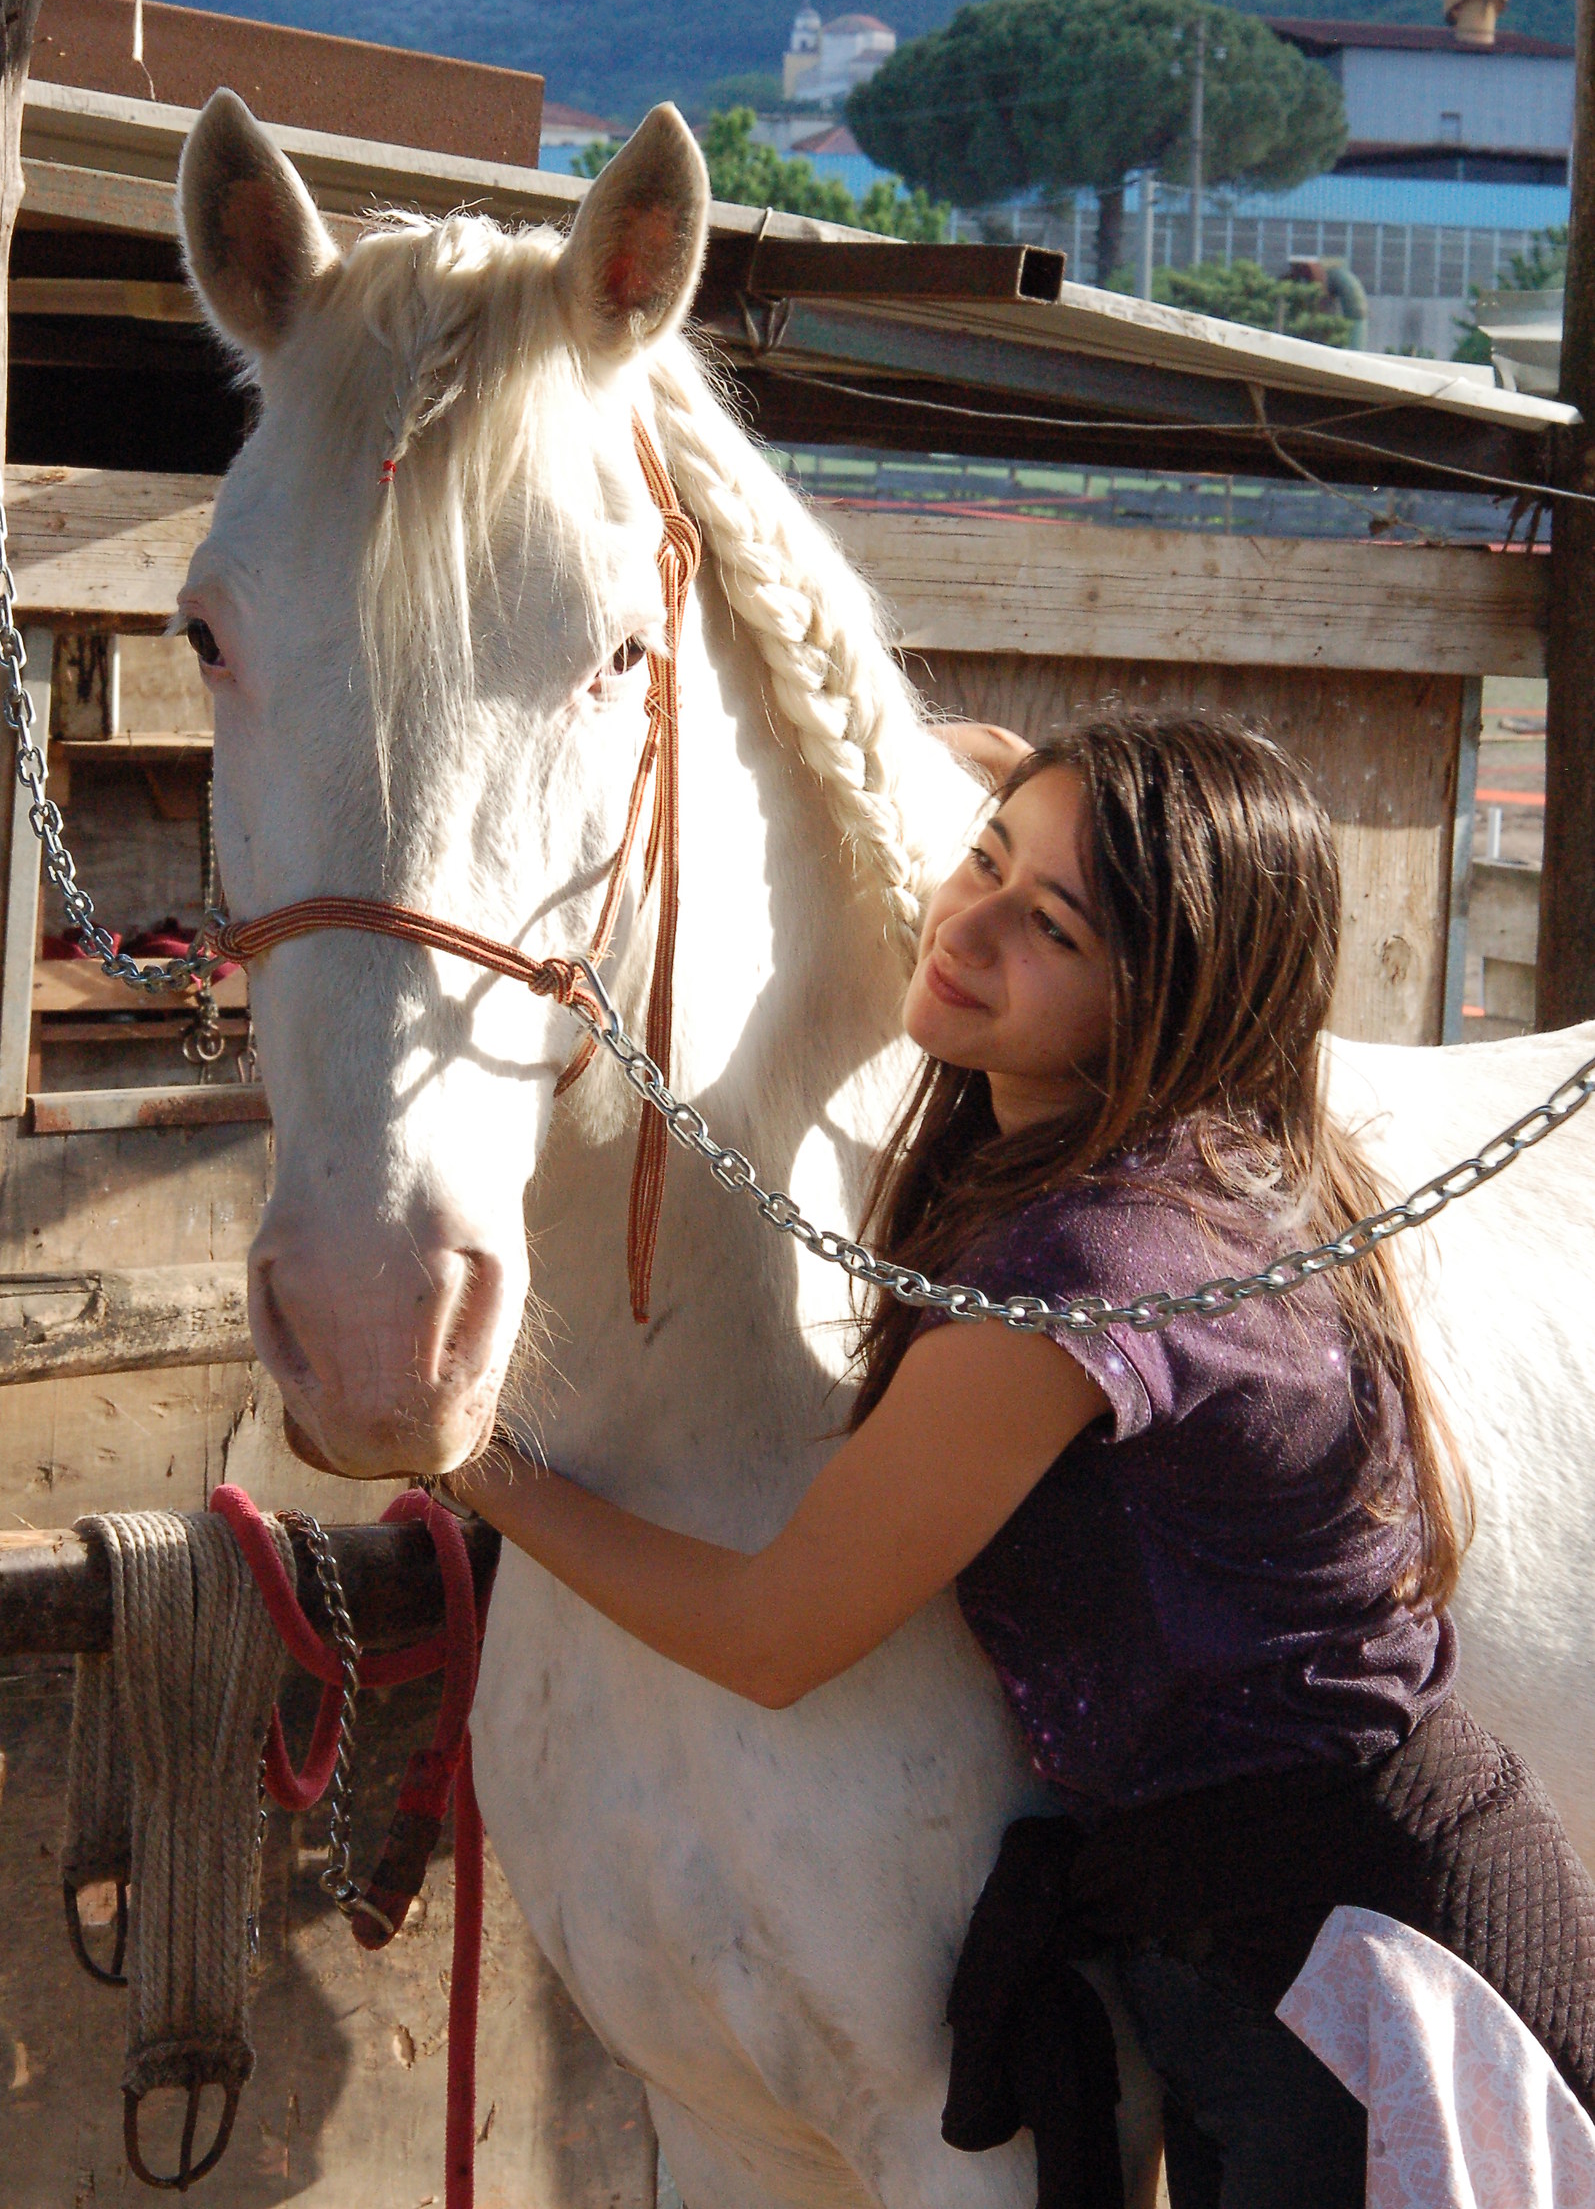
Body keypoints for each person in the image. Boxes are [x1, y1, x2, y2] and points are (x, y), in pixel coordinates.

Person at [448, 709, 1594, 2207]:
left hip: (1360, 1985)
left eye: (1047, 924)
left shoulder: (1080, 1278)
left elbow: (774, 1633)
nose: (968, 923)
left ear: (1161, 1001)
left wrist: (481, 1465)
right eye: (979, 860)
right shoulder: (1219, 1157)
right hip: (1327, 1922)